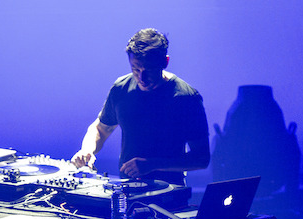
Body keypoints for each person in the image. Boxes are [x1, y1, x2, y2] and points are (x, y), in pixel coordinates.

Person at [70, 28, 210, 185]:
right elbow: (101, 129)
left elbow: (201, 158)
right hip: (128, 192)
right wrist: (87, 150)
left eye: (149, 70)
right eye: (135, 69)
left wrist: (151, 164)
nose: (141, 78)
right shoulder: (121, 88)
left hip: (170, 195)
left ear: (165, 62)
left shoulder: (186, 98)